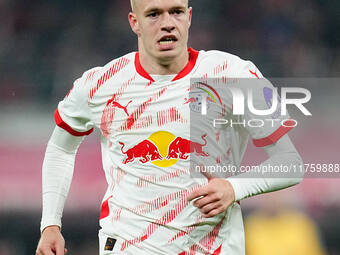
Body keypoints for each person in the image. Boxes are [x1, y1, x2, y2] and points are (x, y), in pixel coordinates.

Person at [36, 0, 304, 254]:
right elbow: (60, 148)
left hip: (212, 247)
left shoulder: (234, 74)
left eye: (176, 11)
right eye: (154, 14)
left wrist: (235, 188)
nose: (167, 23)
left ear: (189, 17)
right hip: (128, 245)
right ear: (134, 22)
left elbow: (291, 163)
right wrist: (50, 223)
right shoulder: (100, 84)